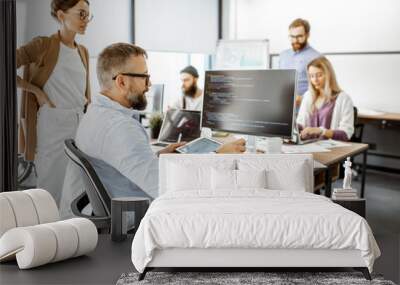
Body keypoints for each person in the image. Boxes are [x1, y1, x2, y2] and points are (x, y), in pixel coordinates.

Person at [60, 43, 245, 217]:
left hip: (107, 205)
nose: (149, 84)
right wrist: (216, 154)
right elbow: (165, 188)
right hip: (133, 214)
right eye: (144, 76)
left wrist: (159, 157)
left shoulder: (95, 113)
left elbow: (126, 162)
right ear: (122, 82)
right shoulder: (120, 128)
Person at [16, 0, 92, 205]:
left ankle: (69, 234)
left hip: (79, 122)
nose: (86, 20)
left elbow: (84, 95)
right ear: (61, 16)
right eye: (81, 14)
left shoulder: (82, 51)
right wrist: (35, 91)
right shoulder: (43, 45)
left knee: (77, 188)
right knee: (51, 188)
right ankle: (46, 233)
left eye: (88, 15)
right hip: (53, 122)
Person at [296, 56, 354, 141]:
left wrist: (321, 131)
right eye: (311, 76)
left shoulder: (343, 98)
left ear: (328, 75)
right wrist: (291, 125)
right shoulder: (308, 96)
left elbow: (345, 134)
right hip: (307, 147)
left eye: (319, 75)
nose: (315, 80)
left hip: (332, 149)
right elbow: (301, 125)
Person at [279, 18, 321, 107]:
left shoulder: (317, 57)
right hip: (284, 107)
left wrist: (303, 99)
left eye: (299, 36)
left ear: (307, 35)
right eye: (292, 37)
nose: (295, 40)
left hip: (306, 109)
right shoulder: (283, 55)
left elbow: (323, 89)